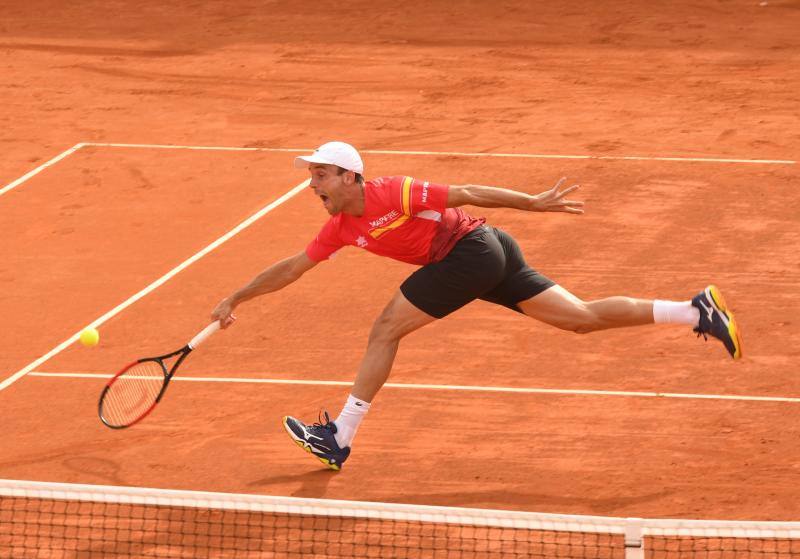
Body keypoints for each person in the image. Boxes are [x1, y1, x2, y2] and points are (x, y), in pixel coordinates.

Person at [211, 141, 742, 471]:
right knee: (579, 319)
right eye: (311, 175)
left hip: (474, 250)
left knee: (384, 330)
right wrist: (237, 294)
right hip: (485, 256)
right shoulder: (339, 227)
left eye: (321, 175)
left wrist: (530, 202)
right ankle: (696, 311)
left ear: (351, 176)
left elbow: (463, 192)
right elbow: (293, 267)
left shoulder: (391, 191)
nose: (312, 184)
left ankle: (338, 438)